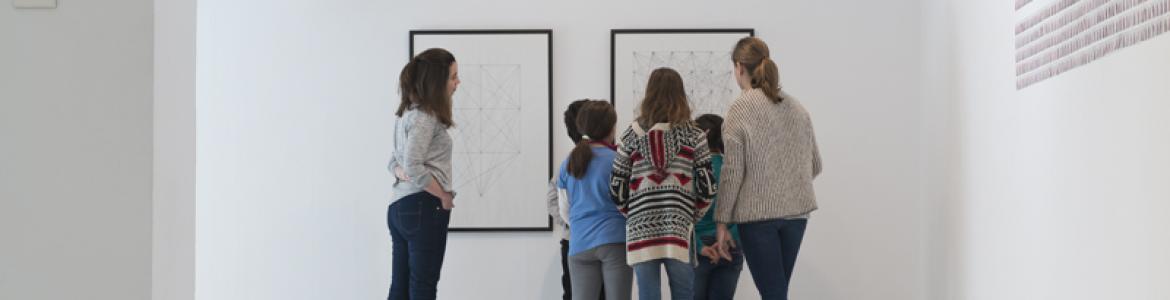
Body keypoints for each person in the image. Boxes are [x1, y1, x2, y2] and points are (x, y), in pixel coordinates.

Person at [714, 37, 823, 300]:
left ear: (739, 67)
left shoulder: (740, 108)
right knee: (777, 292)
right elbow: (816, 165)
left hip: (758, 218)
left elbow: (732, 173)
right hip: (797, 215)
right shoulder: (797, 108)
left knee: (773, 293)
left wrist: (721, 222)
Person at [609, 68, 717, 300]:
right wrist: (690, 216)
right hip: (678, 227)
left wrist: (635, 213)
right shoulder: (695, 135)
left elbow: (616, 189)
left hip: (641, 228)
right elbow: (708, 189)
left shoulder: (630, 135)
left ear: (649, 94)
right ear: (680, 95)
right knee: (684, 294)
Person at [386, 48, 459, 300]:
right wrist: (444, 197)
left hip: (399, 208)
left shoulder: (406, 116)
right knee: (423, 289)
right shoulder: (425, 118)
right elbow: (414, 166)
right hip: (423, 206)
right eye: (453, 77)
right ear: (436, 82)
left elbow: (393, 163)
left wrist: (403, 173)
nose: (457, 83)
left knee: (400, 289)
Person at [557, 101, 632, 300]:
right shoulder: (619, 159)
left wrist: (583, 225)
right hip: (615, 241)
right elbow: (629, 203)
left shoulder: (569, 162)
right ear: (611, 127)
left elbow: (564, 209)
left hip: (580, 243)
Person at [547, 99, 607, 300]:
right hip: (584, 242)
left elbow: (553, 200)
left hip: (578, 241)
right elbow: (554, 200)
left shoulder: (574, 161)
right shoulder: (570, 163)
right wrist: (576, 224)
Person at [691, 114, 743, 300]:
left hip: (700, 247)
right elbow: (745, 212)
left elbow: (682, 215)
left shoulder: (689, 171)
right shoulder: (734, 169)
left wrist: (697, 246)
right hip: (731, 245)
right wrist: (730, 240)